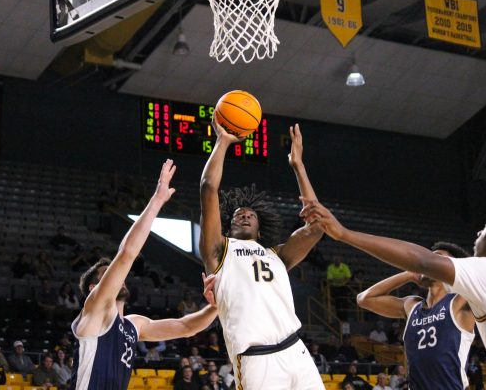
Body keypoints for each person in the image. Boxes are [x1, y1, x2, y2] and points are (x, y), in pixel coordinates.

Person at [301, 203, 486, 390]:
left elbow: (423, 260)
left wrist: (344, 234)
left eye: (485, 229)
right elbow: (366, 298)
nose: (478, 234)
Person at [70, 160, 218, 390]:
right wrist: (158, 200)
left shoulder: (133, 325)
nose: (117, 277)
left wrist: (215, 307)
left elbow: (185, 327)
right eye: (106, 274)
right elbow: (127, 254)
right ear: (93, 288)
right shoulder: (95, 311)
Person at [199, 123, 324, 390]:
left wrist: (298, 166)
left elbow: (317, 227)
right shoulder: (219, 251)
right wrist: (222, 141)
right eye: (238, 214)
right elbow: (208, 188)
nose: (245, 214)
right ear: (229, 224)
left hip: (296, 351)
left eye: (250, 214)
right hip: (257, 359)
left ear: (259, 225)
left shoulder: (276, 254)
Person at [356, 242, 475, 390]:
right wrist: (409, 274)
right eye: (427, 258)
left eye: (437, 258)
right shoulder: (412, 305)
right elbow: (364, 299)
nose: (428, 262)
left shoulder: (460, 301)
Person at [326, 255, 352, 320]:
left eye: (338, 260)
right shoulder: (330, 267)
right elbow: (330, 279)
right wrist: (341, 280)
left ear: (340, 260)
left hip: (344, 287)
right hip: (334, 287)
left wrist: (339, 281)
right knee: (337, 302)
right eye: (335, 260)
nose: (337, 261)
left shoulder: (345, 267)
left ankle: (345, 317)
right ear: (333, 261)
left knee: (345, 302)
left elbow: (348, 277)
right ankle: (339, 318)